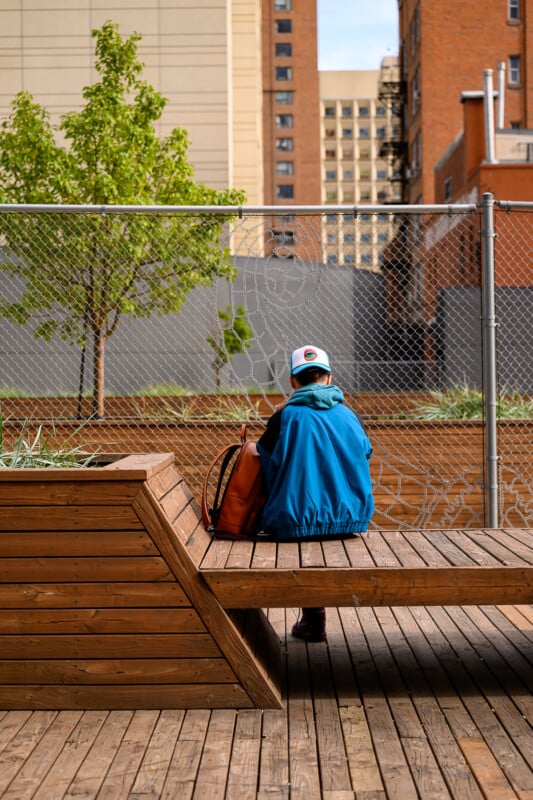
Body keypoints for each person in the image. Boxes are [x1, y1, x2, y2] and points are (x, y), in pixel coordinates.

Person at [256, 345, 374, 643]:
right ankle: (312, 617)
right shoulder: (349, 416)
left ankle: (312, 619)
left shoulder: (284, 418)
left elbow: (265, 461)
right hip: (350, 519)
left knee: (299, 530)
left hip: (294, 521)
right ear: (330, 377)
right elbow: (366, 453)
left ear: (293, 382)